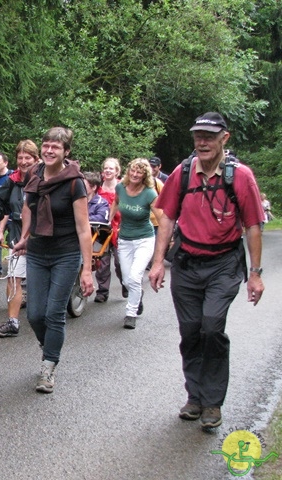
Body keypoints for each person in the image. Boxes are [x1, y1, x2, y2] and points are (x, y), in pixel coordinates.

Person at [149, 112, 265, 429]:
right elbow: (167, 219)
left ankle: (212, 403)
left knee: (212, 327)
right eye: (198, 136)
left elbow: (253, 226)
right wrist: (159, 261)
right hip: (186, 263)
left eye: (209, 136)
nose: (202, 141)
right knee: (190, 331)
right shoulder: (183, 174)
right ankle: (195, 398)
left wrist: (255, 273)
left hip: (224, 264)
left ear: (224, 138)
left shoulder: (240, 177)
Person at [12, 127, 94, 393]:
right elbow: (31, 211)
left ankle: (48, 367)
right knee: (35, 315)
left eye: (55, 147)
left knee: (54, 313)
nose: (48, 150)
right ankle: (49, 347)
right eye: (45, 145)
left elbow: (84, 229)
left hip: (66, 254)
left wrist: (87, 270)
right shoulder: (33, 174)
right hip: (37, 251)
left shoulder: (75, 182)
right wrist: (25, 237)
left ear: (66, 152)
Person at [0, 140, 38, 337]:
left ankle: (45, 317)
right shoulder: (13, 180)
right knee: (14, 278)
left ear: (36, 159)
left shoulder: (44, 179)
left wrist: (30, 238)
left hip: (41, 237)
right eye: (20, 157)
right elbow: (1, 203)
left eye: (28, 158)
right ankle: (12, 322)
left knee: (40, 280)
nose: (24, 162)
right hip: (17, 234)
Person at [109, 158, 161, 330]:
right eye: (133, 170)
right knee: (126, 280)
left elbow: (161, 217)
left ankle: (131, 314)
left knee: (134, 277)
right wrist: (110, 220)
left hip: (144, 239)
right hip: (124, 239)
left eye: (139, 172)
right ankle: (137, 293)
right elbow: (116, 202)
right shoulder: (120, 188)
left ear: (145, 175)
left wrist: (168, 238)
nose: (135, 174)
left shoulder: (149, 193)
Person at [94, 157, 124, 303]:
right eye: (106, 168)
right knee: (101, 260)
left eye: (111, 168)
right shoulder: (97, 188)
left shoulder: (123, 187)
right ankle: (102, 291)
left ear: (117, 171)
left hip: (120, 229)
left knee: (120, 262)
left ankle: (125, 283)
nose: (107, 170)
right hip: (101, 230)